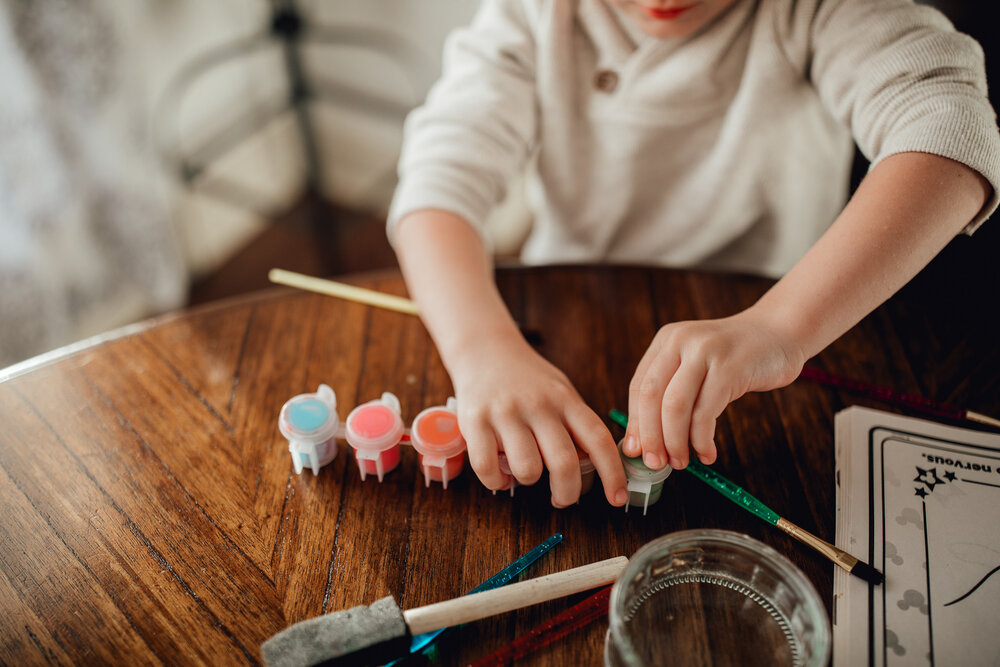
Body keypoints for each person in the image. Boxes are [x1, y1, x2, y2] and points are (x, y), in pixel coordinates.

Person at [386, 0, 1000, 508]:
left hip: (769, 332)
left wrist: (778, 326)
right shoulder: (533, 13)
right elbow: (437, 183)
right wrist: (482, 350)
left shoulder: (820, 9)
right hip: (564, 324)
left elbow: (951, 130)